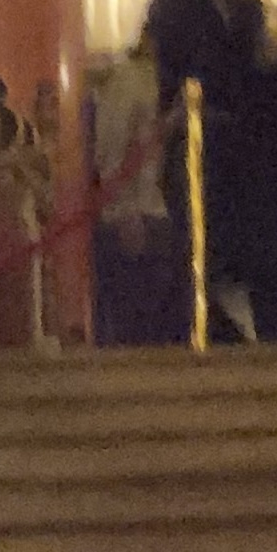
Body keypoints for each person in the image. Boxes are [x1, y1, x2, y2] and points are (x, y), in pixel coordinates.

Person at [146, 0, 277, 344]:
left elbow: (258, 67)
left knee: (261, 239)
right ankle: (203, 330)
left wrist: (267, 64)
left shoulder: (247, 9)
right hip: (198, 132)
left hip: (243, 133)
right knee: (198, 242)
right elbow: (169, 65)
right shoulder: (177, 8)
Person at [89, 29, 183, 345]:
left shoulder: (155, 80)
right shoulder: (128, 80)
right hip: (136, 211)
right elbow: (112, 148)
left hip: (154, 205)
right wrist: (123, 210)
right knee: (136, 315)